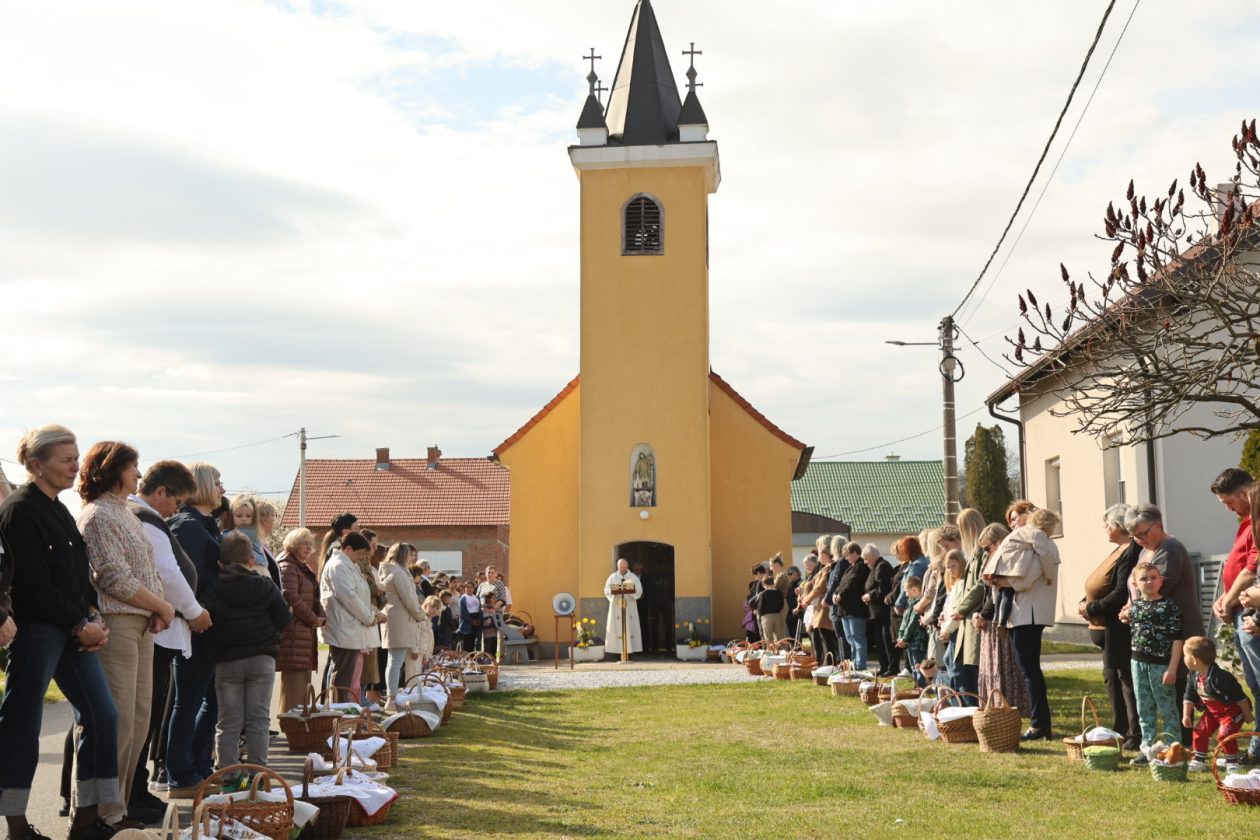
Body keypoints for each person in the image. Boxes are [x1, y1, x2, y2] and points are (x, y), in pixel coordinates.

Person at [0, 425, 120, 840]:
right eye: (66, 459)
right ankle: (16, 827)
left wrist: (92, 612)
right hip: (39, 632)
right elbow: (32, 585)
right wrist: (79, 623)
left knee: (103, 716)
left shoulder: (59, 509)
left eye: (75, 457)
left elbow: (78, 574)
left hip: (74, 630)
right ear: (37, 465)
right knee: (22, 723)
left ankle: (87, 822)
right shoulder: (19, 510)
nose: (75, 466)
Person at [77, 441, 175, 828]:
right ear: (114, 469)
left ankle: (120, 805)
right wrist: (163, 606)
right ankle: (103, 813)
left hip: (141, 623)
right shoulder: (98, 514)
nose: (138, 475)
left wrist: (157, 608)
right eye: (134, 467)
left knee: (137, 720)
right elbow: (113, 576)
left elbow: (146, 573)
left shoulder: (126, 513)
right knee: (116, 721)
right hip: (116, 623)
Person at [126, 460, 205, 818]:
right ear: (161, 493)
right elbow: (167, 573)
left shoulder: (146, 517)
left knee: (148, 714)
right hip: (155, 628)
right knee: (145, 715)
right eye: (176, 500)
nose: (177, 508)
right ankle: (133, 793)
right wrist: (193, 610)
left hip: (159, 626)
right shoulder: (145, 518)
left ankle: (136, 790)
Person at [200, 532, 290, 780]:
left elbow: (205, 621)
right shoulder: (266, 586)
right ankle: (258, 776)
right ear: (251, 560)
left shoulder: (213, 588)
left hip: (227, 659)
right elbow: (284, 620)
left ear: (220, 563)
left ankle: (228, 777)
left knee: (228, 722)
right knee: (258, 720)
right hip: (262, 657)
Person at [164, 461, 225, 799]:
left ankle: (200, 766)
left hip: (208, 625)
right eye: (217, 482)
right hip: (193, 625)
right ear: (202, 485)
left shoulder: (205, 524)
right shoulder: (188, 525)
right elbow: (185, 577)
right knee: (188, 703)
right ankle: (180, 775)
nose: (222, 488)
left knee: (211, 702)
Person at [1126, 501, 1204, 743]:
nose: (1139, 539)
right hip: (1153, 636)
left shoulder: (1170, 549)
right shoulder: (1145, 551)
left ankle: (1185, 745)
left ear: (1158, 525)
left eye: (1142, 533)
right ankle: (1169, 742)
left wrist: (1133, 609)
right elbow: (1136, 585)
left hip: (1178, 632)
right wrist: (1129, 607)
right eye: (1134, 536)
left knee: (1181, 689)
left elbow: (1160, 589)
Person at [989, 509, 1061, 740]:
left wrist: (1003, 582)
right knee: (1030, 670)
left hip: (1027, 614)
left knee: (1030, 671)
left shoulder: (1038, 544)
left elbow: (1026, 580)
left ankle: (1040, 724)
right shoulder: (1040, 543)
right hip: (1027, 613)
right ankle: (1041, 723)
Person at [1078, 503, 1142, 749]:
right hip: (1104, 628)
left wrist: (1091, 608)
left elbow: (1118, 592)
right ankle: (1120, 730)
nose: (1105, 529)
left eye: (1107, 525)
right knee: (1112, 678)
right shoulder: (1119, 550)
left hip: (1118, 628)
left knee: (1126, 679)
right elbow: (1099, 584)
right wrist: (1084, 602)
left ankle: (1134, 734)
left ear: (1118, 526)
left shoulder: (1131, 551)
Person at [1209, 469, 1259, 762]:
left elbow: (1251, 569)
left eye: (1229, 503)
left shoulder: (1257, 523)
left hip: (1252, 613)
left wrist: (1227, 602)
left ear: (1243, 493)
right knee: (1255, 685)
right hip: (1240, 608)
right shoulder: (1246, 523)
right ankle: (1256, 749)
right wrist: (1224, 599)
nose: (1229, 509)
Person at [1125, 561, 1185, 765]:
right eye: (1143, 578)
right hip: (1137, 663)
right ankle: (1148, 749)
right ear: (1135, 583)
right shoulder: (1135, 605)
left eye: (1153, 577)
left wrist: (1172, 668)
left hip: (1162, 665)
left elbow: (1178, 639)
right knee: (1144, 708)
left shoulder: (1169, 606)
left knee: (1168, 708)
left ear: (1160, 580)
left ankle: (1173, 749)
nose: (1149, 582)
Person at [974, 523, 1031, 717]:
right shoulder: (994, 558)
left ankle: (1009, 706)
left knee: (1004, 666)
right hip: (991, 617)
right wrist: (979, 612)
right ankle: (995, 704)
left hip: (1002, 617)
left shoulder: (1007, 557)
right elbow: (987, 590)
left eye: (988, 546)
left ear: (998, 541)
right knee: (993, 667)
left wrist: (984, 613)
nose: (987, 551)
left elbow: (1000, 591)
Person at [320, 532, 384, 703]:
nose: (361, 557)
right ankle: (342, 712)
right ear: (348, 548)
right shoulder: (338, 566)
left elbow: (360, 596)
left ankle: (349, 710)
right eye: (360, 553)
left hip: (352, 628)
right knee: (345, 676)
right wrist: (370, 617)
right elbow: (349, 597)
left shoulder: (349, 565)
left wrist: (373, 612)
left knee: (353, 676)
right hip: (344, 628)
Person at [1182, 635, 1253, 773]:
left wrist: (1247, 714)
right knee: (1199, 732)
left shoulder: (1220, 678)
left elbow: (1241, 697)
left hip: (1231, 711)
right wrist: (1186, 715)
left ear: (1194, 660)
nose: (1183, 658)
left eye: (1185, 655)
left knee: (1225, 734)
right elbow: (1189, 695)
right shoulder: (1193, 676)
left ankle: (1232, 761)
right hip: (1212, 712)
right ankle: (1199, 759)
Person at [275, 528, 324, 715]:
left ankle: (298, 726)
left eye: (311, 544)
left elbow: (313, 597)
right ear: (293, 543)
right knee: (294, 686)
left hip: (303, 631)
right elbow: (291, 597)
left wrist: (321, 616)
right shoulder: (288, 565)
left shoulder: (300, 566)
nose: (309, 548)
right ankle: (291, 726)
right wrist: (313, 619)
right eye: (305, 543)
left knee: (302, 684)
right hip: (294, 631)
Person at [379, 543, 424, 709]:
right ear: (403, 555)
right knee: (395, 661)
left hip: (400, 620)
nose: (412, 559)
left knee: (395, 660)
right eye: (410, 555)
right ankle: (392, 697)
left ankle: (393, 695)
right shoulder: (397, 573)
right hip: (399, 620)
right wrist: (419, 614)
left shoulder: (397, 571)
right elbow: (408, 598)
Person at [860, 544, 896, 677]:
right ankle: (884, 666)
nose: (864, 562)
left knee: (886, 640)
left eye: (866, 559)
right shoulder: (874, 567)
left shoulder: (882, 566)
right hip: (876, 612)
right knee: (880, 641)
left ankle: (891, 667)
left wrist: (870, 595)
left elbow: (884, 587)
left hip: (883, 611)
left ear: (873, 556)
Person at [834, 542, 868, 669]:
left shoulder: (861, 566)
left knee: (857, 637)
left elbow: (851, 583)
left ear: (855, 553)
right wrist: (835, 594)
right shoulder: (849, 567)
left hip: (855, 609)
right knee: (850, 639)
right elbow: (841, 583)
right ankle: (854, 663)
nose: (846, 558)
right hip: (844, 609)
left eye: (848, 555)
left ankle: (860, 665)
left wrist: (840, 595)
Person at [603, 558, 643, 658]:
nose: (623, 569)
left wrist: (630, 590)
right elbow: (607, 590)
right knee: (616, 629)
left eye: (625, 567)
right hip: (616, 606)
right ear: (618, 566)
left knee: (630, 628)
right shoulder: (612, 577)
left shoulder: (633, 577)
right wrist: (615, 591)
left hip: (629, 607)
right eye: (621, 567)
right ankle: (617, 654)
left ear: (627, 566)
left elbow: (639, 591)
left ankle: (629, 653)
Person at [896, 575, 929, 685]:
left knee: (918, 665)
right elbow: (904, 622)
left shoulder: (918, 605)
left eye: (907, 591)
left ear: (914, 590)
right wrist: (901, 636)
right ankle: (917, 686)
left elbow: (912, 623)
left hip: (917, 641)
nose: (906, 594)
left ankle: (921, 686)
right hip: (910, 641)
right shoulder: (910, 603)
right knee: (912, 665)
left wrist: (904, 637)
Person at [752, 571, 787, 642]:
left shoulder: (763, 594)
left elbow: (760, 607)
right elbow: (781, 605)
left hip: (766, 617)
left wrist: (760, 614)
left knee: (768, 637)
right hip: (777, 615)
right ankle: (781, 651)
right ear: (773, 583)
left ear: (764, 584)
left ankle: (771, 651)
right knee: (779, 636)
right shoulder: (779, 592)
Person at [458, 580, 483, 651]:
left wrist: (478, 620)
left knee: (474, 642)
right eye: (467, 587)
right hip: (468, 622)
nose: (469, 589)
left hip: (477, 621)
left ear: (473, 588)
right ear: (465, 589)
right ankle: (467, 659)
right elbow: (463, 613)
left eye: (471, 587)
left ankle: (473, 658)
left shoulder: (477, 598)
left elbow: (480, 609)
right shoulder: (462, 598)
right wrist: (472, 621)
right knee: (467, 643)